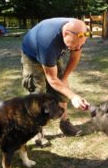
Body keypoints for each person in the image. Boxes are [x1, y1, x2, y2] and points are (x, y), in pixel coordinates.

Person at [21, 17, 90, 146]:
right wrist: (74, 96)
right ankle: (36, 131)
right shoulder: (47, 42)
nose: (78, 47)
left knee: (63, 89)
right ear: (65, 34)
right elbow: (52, 79)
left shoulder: (80, 35)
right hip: (33, 55)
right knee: (38, 93)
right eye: (75, 45)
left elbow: (75, 57)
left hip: (52, 53)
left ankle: (65, 123)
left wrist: (64, 78)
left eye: (81, 45)